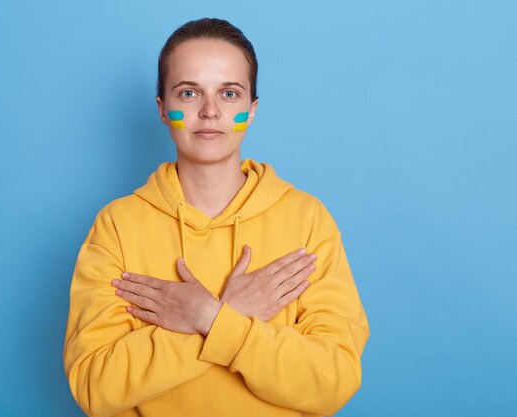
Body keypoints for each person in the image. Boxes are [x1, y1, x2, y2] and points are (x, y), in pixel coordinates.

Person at [63, 18, 370, 417]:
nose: (210, 111)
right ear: (162, 108)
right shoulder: (118, 226)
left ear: (252, 108)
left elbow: (334, 379)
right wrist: (226, 317)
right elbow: (93, 385)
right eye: (189, 93)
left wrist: (208, 317)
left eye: (229, 93)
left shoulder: (307, 219)